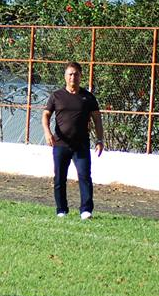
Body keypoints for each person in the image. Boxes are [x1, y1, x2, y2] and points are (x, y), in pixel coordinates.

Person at [42, 61, 104, 220]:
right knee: (59, 178)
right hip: (61, 145)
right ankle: (61, 210)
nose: (73, 77)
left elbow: (97, 119)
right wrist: (47, 132)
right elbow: (46, 115)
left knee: (84, 176)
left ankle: (86, 210)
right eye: (70, 74)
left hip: (81, 145)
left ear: (80, 76)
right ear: (65, 76)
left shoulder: (88, 97)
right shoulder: (57, 96)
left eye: (76, 74)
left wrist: (99, 139)